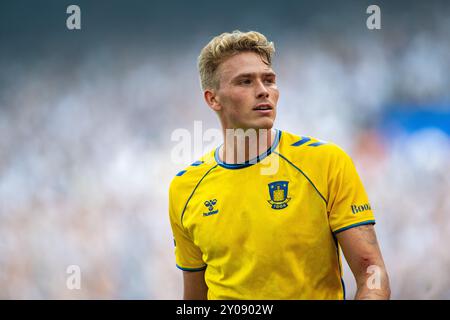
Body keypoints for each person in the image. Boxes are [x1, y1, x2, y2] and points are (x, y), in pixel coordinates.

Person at [168, 30, 390, 300]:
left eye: (269, 80)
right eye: (245, 82)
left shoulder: (326, 163)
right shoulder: (185, 188)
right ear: (213, 99)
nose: (263, 91)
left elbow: (371, 270)